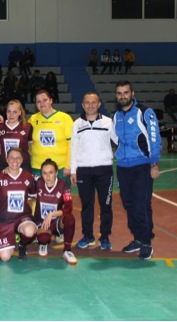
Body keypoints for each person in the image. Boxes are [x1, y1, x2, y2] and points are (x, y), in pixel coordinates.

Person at [112, 80, 161, 260]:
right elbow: (116, 140)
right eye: (119, 93)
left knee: (141, 206)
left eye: (126, 92)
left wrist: (154, 164)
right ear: (116, 95)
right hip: (123, 167)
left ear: (132, 93)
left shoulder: (145, 112)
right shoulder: (117, 116)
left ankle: (147, 242)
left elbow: (154, 138)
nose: (122, 96)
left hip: (142, 166)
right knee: (128, 205)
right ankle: (138, 238)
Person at [70, 92, 117, 250]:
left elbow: (119, 141)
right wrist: (73, 170)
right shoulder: (77, 124)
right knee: (87, 205)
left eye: (93, 102)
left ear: (99, 104)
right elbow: (73, 148)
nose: (90, 105)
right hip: (84, 171)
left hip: (104, 170)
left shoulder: (109, 122)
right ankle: (88, 236)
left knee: (106, 205)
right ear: (83, 105)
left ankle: (105, 237)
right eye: (87, 102)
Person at [0, 148, 37, 262]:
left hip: (22, 217)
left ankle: (22, 245)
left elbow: (34, 196)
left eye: (18, 157)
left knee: (29, 231)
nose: (15, 160)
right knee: (5, 257)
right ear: (6, 159)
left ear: (22, 160)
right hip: (4, 219)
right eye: (12, 157)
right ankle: (0, 235)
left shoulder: (28, 177)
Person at [33, 158, 77, 265]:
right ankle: (43, 243)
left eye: (51, 172)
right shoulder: (37, 183)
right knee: (43, 238)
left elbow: (68, 207)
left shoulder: (64, 186)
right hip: (42, 222)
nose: (48, 176)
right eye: (45, 173)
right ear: (41, 174)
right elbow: (21, 176)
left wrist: (51, 214)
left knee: (70, 219)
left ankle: (67, 250)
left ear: (57, 173)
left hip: (56, 222)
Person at [28, 89, 73, 179]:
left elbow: (72, 144)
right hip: (37, 167)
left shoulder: (65, 118)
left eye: (45, 100)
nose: (42, 103)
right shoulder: (32, 120)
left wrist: (68, 165)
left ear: (51, 100)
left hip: (60, 167)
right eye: (38, 101)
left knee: (61, 193)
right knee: (38, 193)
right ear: (36, 105)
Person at [0, 99, 33, 171]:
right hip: (4, 167)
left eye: (14, 112)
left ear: (20, 112)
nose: (11, 115)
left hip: (23, 167)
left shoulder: (27, 127)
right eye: (9, 111)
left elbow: (31, 148)